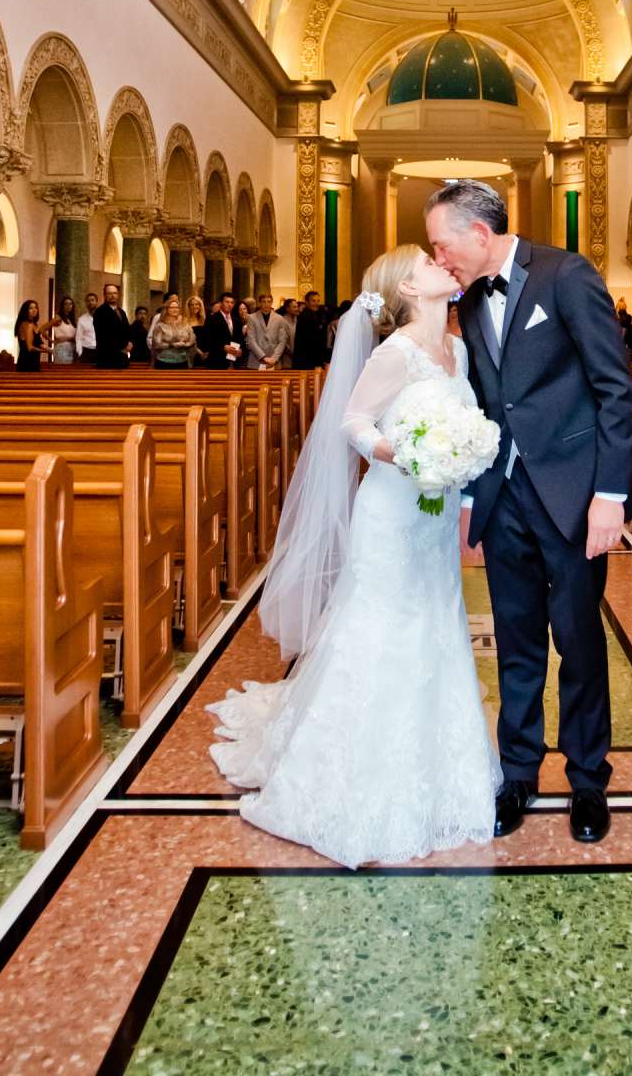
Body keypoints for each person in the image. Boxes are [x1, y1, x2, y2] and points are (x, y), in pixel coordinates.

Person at [207, 245, 500, 867]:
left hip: (434, 514)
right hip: (392, 512)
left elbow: (468, 424)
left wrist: (458, 469)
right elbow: (353, 422)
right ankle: (354, 773)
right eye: (427, 263)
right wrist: (403, 455)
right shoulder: (394, 354)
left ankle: (437, 760)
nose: (441, 265)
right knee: (381, 626)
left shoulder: (460, 348)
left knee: (436, 620)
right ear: (408, 289)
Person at [427, 177, 632, 845]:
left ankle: (587, 781)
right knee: (516, 642)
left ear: (479, 234)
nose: (439, 260)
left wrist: (610, 496)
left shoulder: (566, 276)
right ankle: (518, 772)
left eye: (442, 245)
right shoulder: (467, 300)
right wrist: (469, 497)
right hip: (505, 496)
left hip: (572, 497)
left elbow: (614, 390)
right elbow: (487, 404)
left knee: (578, 641)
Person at [243, 293, 291, 369]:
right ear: (260, 303)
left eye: (269, 301)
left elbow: (282, 341)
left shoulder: (279, 318)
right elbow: (251, 340)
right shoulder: (252, 318)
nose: (266, 304)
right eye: (263, 301)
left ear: (272, 302)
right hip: (256, 360)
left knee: (275, 381)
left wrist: (274, 358)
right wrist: (263, 357)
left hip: (274, 361)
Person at [197, 293, 243, 368]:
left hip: (234, 361)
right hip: (217, 361)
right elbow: (206, 340)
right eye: (227, 302)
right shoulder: (212, 319)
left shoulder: (237, 320)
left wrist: (241, 349)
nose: (230, 305)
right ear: (221, 303)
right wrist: (223, 347)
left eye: (232, 302)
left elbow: (240, 339)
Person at [90, 283, 130, 369]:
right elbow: (103, 335)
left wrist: (129, 342)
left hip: (122, 357)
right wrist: (123, 346)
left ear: (118, 295)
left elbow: (127, 329)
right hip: (107, 357)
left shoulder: (121, 312)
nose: (113, 296)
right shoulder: (100, 312)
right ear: (104, 295)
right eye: (109, 293)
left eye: (115, 293)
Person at [149, 297, 196, 368]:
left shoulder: (185, 324)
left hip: (182, 360)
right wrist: (172, 345)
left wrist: (184, 344)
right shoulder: (160, 325)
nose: (175, 309)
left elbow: (192, 340)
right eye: (172, 307)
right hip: (164, 360)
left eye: (177, 307)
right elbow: (157, 344)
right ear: (166, 309)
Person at [290, 289, 329, 369]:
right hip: (307, 361)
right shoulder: (305, 316)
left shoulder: (316, 315)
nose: (316, 303)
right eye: (313, 301)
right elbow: (310, 341)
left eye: (318, 301)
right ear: (307, 302)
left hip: (313, 359)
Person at [12, 298, 45, 372]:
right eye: (31, 308)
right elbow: (30, 347)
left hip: (34, 360)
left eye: (36, 307)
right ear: (25, 310)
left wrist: (50, 349)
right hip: (27, 360)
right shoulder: (26, 324)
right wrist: (44, 351)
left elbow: (38, 342)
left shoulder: (34, 324)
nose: (34, 310)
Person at [48, 297, 79, 365]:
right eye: (66, 304)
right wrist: (51, 340)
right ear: (62, 306)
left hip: (72, 349)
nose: (68, 306)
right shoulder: (58, 318)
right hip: (62, 349)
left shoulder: (72, 320)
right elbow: (42, 330)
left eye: (70, 304)